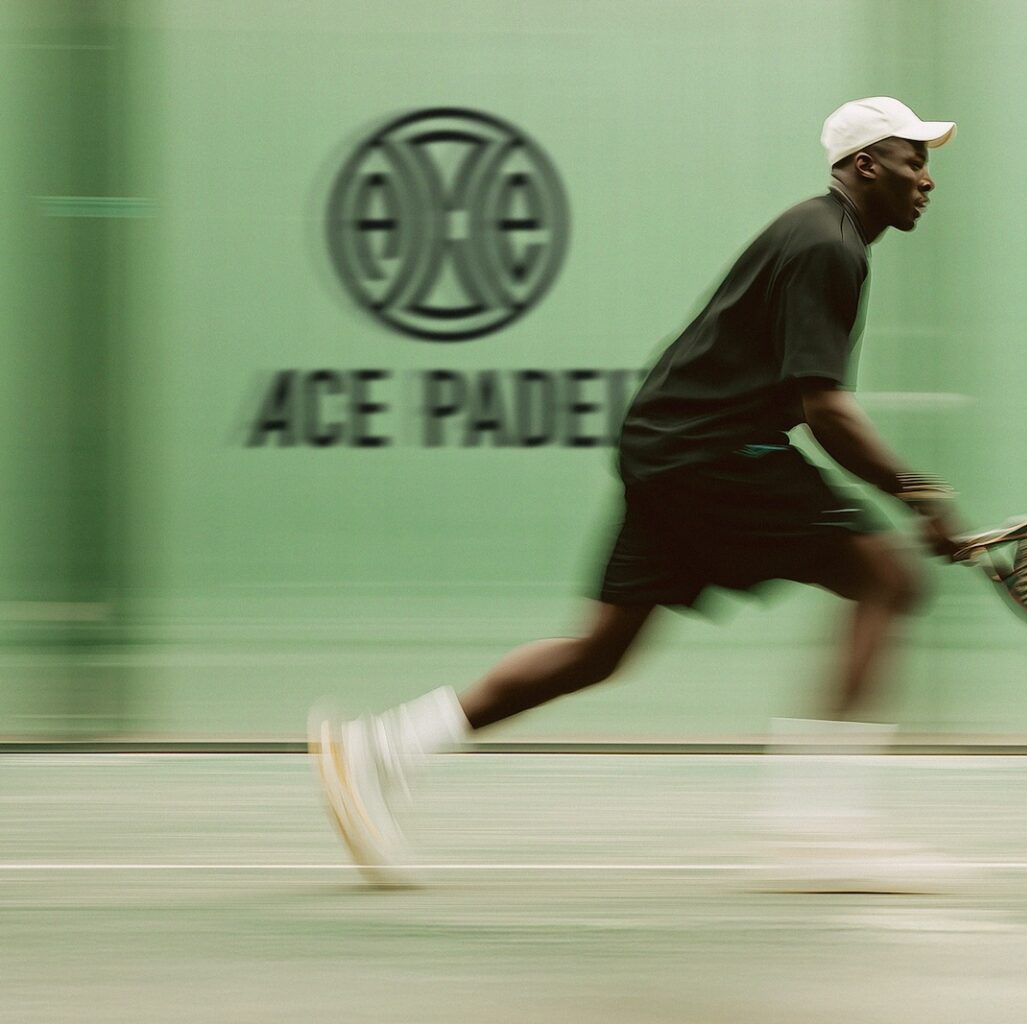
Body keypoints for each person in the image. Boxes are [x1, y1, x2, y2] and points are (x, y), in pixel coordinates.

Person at [310, 97, 962, 887]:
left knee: (601, 650)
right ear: (866, 165)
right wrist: (921, 495)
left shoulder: (818, 233)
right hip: (713, 451)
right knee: (888, 577)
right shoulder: (829, 247)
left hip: (670, 443)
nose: (926, 179)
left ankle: (380, 748)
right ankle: (815, 825)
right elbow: (824, 406)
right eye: (912, 160)